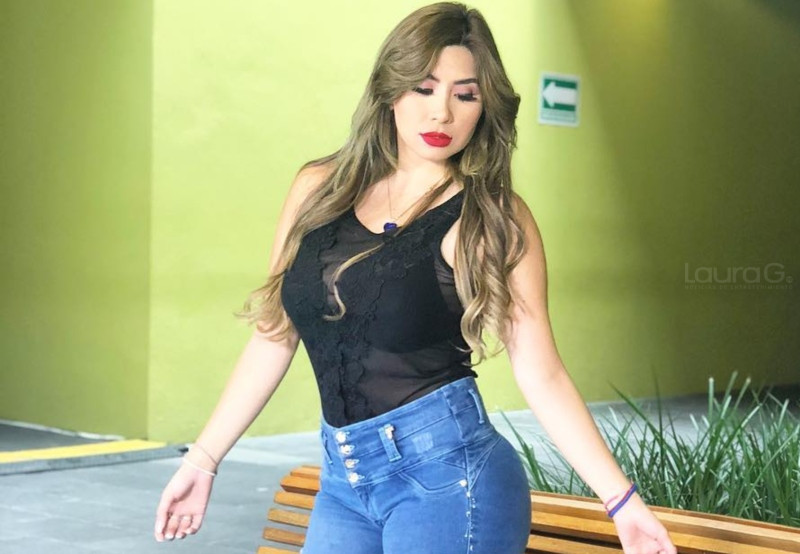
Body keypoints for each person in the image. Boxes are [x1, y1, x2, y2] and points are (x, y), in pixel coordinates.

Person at [154, 3, 677, 553]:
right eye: (423, 88)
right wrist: (203, 460)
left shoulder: (490, 218)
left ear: (485, 106)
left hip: (452, 479)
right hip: (344, 482)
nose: (441, 113)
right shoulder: (318, 189)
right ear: (390, 90)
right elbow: (273, 334)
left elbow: (541, 372)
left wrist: (622, 502)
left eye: (465, 95)